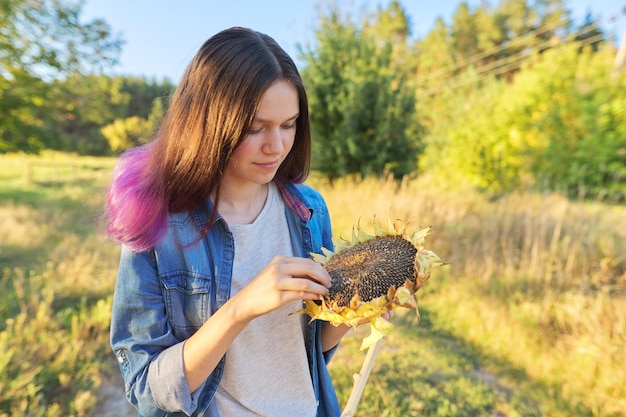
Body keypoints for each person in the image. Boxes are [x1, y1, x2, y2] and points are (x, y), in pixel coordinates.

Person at [103, 26, 359, 416]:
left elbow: (310, 348)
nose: (276, 146)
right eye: (256, 128)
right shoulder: (158, 225)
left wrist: (355, 311)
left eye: (288, 124)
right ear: (209, 123)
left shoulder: (310, 212)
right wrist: (241, 309)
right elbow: (146, 389)